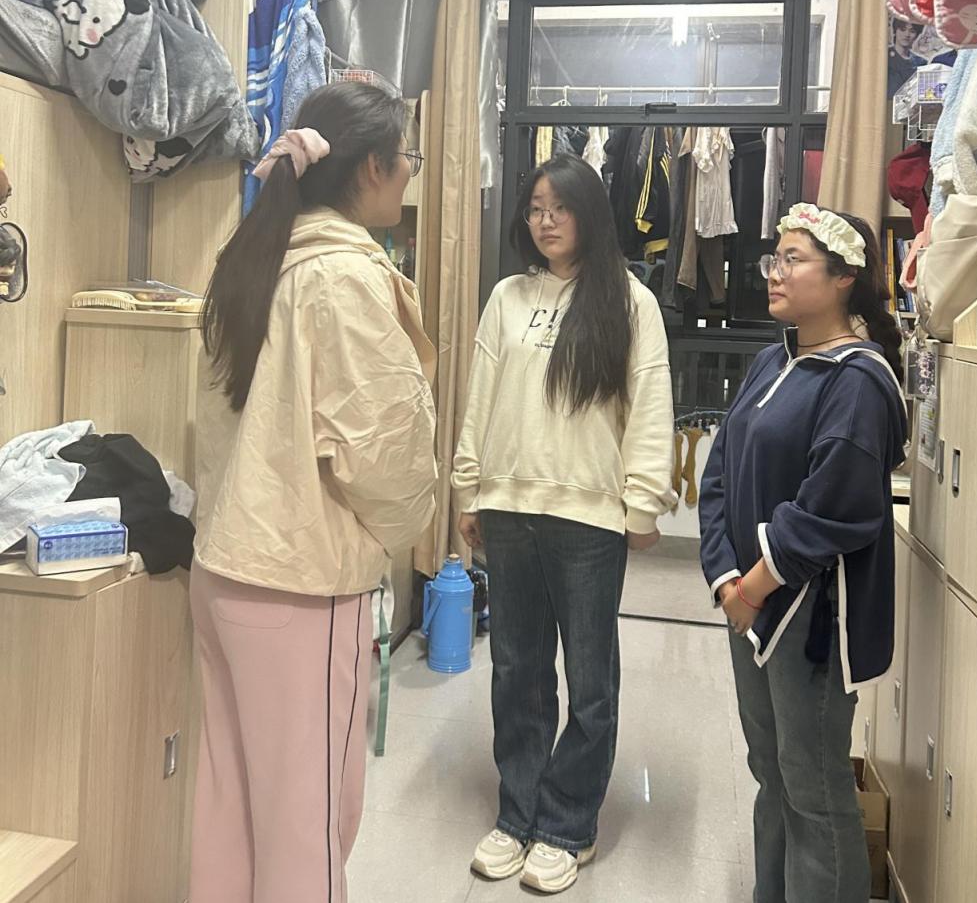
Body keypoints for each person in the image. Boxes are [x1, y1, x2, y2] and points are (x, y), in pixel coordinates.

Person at [189, 82, 438, 903]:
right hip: (299, 580)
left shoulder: (252, 260)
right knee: (306, 827)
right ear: (372, 168)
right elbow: (386, 453)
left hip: (224, 566)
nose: (409, 173)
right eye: (406, 158)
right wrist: (403, 525)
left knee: (228, 811)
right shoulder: (342, 277)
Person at [452, 152, 677, 895]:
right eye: (535, 209)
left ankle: (567, 823)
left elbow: (650, 406)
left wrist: (642, 502)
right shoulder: (508, 296)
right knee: (516, 670)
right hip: (509, 508)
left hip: (588, 516)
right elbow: (480, 398)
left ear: (589, 213)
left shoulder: (630, 302)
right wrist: (468, 490)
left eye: (560, 208)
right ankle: (517, 813)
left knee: (589, 680)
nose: (545, 222)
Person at [699, 203, 908, 903]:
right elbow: (720, 471)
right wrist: (726, 579)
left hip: (809, 616)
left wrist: (754, 588)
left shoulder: (859, 380)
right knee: (772, 773)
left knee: (813, 787)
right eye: (775, 259)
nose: (775, 272)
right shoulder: (773, 360)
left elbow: (834, 509)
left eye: (793, 260)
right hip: (747, 605)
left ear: (844, 277)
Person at [888, 17, 927, 98]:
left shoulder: (921, 62)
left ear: (917, 35)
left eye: (912, 31)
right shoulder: (884, 56)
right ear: (895, 31)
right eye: (902, 29)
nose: (907, 34)